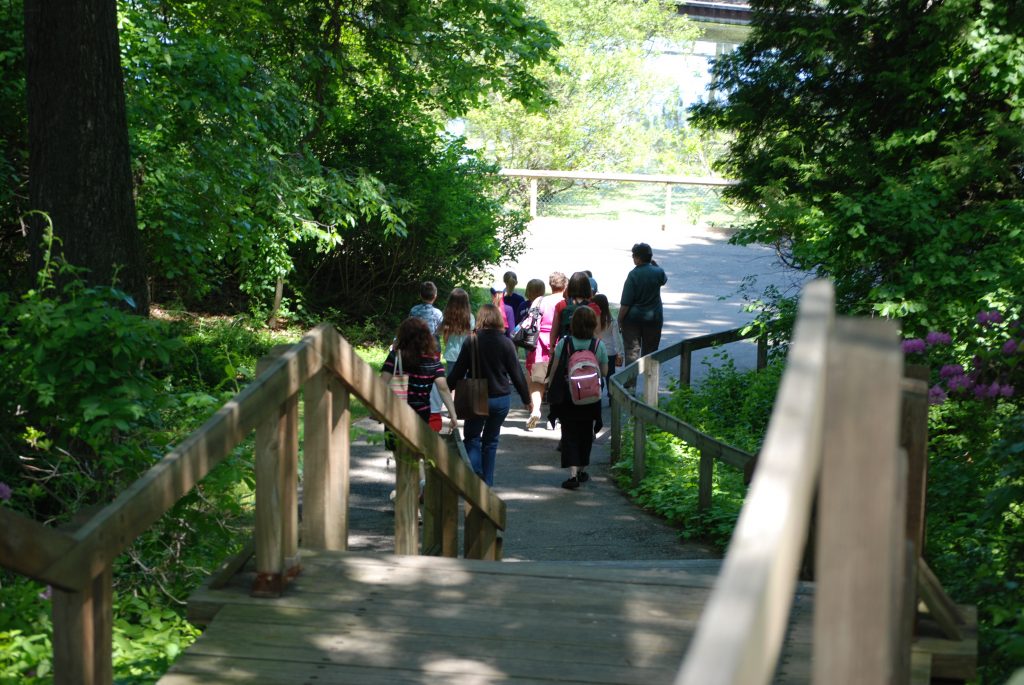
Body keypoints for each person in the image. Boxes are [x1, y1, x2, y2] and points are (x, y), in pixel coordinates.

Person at [447, 304, 533, 486]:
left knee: (472, 438)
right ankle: (487, 483)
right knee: (491, 441)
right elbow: (517, 374)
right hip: (500, 398)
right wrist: (527, 400)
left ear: (480, 319)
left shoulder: (472, 340)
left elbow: (458, 371)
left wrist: (445, 389)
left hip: (476, 396)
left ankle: (476, 473)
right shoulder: (506, 342)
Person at [546, 306, 608, 489]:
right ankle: (581, 470)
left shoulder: (564, 343)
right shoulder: (598, 345)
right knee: (586, 434)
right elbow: (603, 372)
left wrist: (551, 390)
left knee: (570, 433)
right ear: (592, 324)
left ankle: (572, 475)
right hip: (591, 397)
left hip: (568, 396)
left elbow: (555, 369)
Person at [380, 317, 458, 435]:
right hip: (421, 415)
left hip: (395, 413)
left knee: (397, 450)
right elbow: (443, 389)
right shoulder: (433, 360)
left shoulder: (395, 356)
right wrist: (453, 415)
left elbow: (381, 383)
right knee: (418, 451)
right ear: (427, 337)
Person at [525, 272, 567, 429]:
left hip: (540, 344)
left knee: (537, 380)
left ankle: (535, 410)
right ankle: (554, 418)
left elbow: (531, 322)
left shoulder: (540, 300)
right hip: (560, 342)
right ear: (565, 286)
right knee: (558, 380)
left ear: (551, 285)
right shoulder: (565, 302)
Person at [618, 242, 668, 364]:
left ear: (638, 258)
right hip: (654, 318)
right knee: (651, 353)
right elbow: (664, 280)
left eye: (633, 256)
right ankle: (650, 382)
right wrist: (655, 265)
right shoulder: (658, 272)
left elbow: (626, 303)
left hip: (632, 320)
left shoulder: (633, 274)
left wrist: (619, 320)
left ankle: (630, 382)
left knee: (632, 352)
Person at [550, 271, 601, 349]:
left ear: (570, 287)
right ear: (587, 287)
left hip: (565, 348)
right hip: (586, 351)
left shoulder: (561, 305)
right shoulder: (593, 307)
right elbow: (597, 334)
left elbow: (554, 331)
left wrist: (552, 349)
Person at [593, 293, 623, 403]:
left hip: (596, 351)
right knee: (610, 374)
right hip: (610, 352)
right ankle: (611, 396)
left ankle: (597, 395)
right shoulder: (611, 320)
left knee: (597, 375)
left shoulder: (592, 320)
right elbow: (617, 339)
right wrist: (620, 353)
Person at [440, 287, 475, 366]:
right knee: (464, 378)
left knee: (451, 377)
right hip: (466, 354)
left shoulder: (447, 317)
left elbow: (445, 339)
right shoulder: (471, 317)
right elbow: (471, 336)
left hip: (451, 353)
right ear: (466, 303)